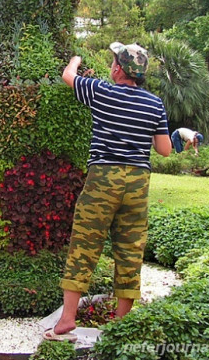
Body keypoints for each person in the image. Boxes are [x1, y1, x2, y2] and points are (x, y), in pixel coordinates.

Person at [43, 42, 172, 342]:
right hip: (138, 181)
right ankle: (121, 322)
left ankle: (66, 319)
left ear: (118, 69)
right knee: (130, 247)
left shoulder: (102, 91)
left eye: (114, 61)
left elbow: (67, 77)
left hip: (104, 176)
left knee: (85, 242)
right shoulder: (155, 104)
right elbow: (164, 149)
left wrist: (74, 60)